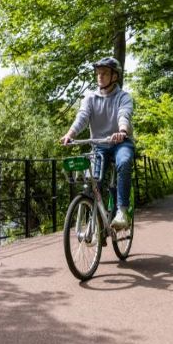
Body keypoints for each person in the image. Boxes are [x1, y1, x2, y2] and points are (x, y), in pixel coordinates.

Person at [60, 57, 134, 229]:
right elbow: (82, 117)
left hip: (120, 143)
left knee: (123, 162)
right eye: (98, 73)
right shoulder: (90, 98)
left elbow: (124, 114)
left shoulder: (123, 97)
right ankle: (96, 219)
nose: (100, 76)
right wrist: (69, 134)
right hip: (99, 145)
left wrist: (122, 131)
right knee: (92, 180)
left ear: (114, 76)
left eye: (104, 73)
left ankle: (122, 211)